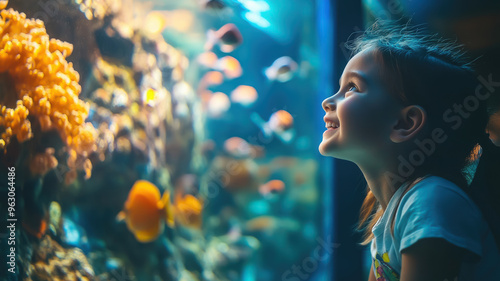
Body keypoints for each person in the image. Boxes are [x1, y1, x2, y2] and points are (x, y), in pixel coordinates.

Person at [319, 21, 500, 281]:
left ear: (405, 123)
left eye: (352, 88)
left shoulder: (431, 201)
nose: (328, 101)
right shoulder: (391, 212)